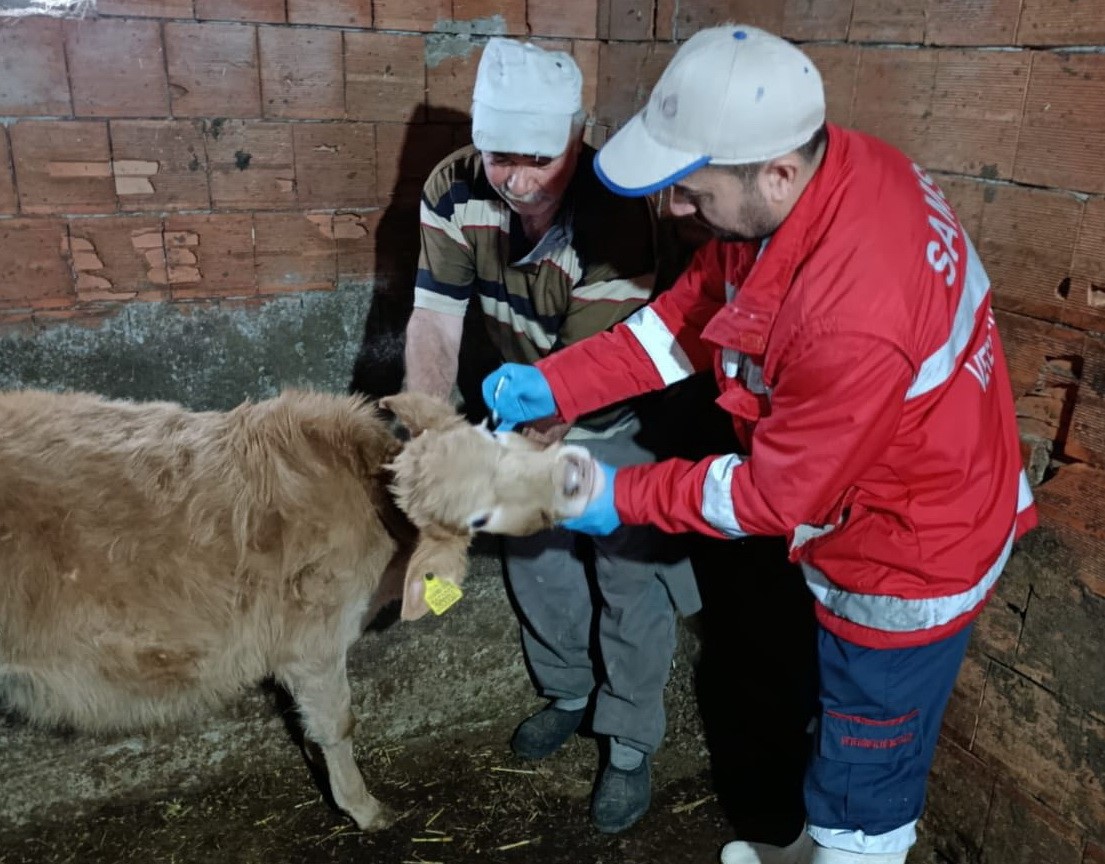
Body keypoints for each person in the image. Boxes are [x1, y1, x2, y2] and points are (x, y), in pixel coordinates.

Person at [481, 24, 1038, 864]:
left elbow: (770, 497)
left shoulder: (851, 312)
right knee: (830, 722)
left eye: (691, 192)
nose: (674, 210)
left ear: (774, 173)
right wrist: (560, 383)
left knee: (863, 768)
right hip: (876, 488)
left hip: (905, 548)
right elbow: (686, 320)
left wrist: (613, 494)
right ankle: (808, 847)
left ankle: (847, 850)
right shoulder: (825, 175)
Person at [401, 37, 701, 834]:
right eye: (502, 157)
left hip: (611, 408)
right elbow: (435, 319)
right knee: (534, 556)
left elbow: (583, 379)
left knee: (627, 570)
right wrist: (429, 435)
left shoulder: (615, 210)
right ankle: (568, 691)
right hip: (520, 398)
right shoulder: (453, 188)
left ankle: (629, 739)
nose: (520, 180)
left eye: (542, 158)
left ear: (576, 136)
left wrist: (485, 474)